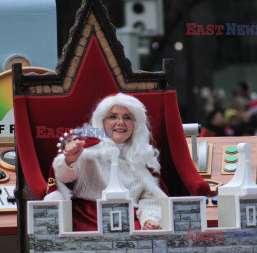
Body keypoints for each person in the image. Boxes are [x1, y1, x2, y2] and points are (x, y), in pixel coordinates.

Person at [44, 93, 168, 230]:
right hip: (87, 219)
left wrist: (150, 219)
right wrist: (69, 160)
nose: (121, 122)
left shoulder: (142, 155)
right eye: (113, 117)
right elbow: (63, 178)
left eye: (127, 118)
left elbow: (151, 198)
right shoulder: (86, 149)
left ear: (135, 124)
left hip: (129, 221)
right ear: (102, 121)